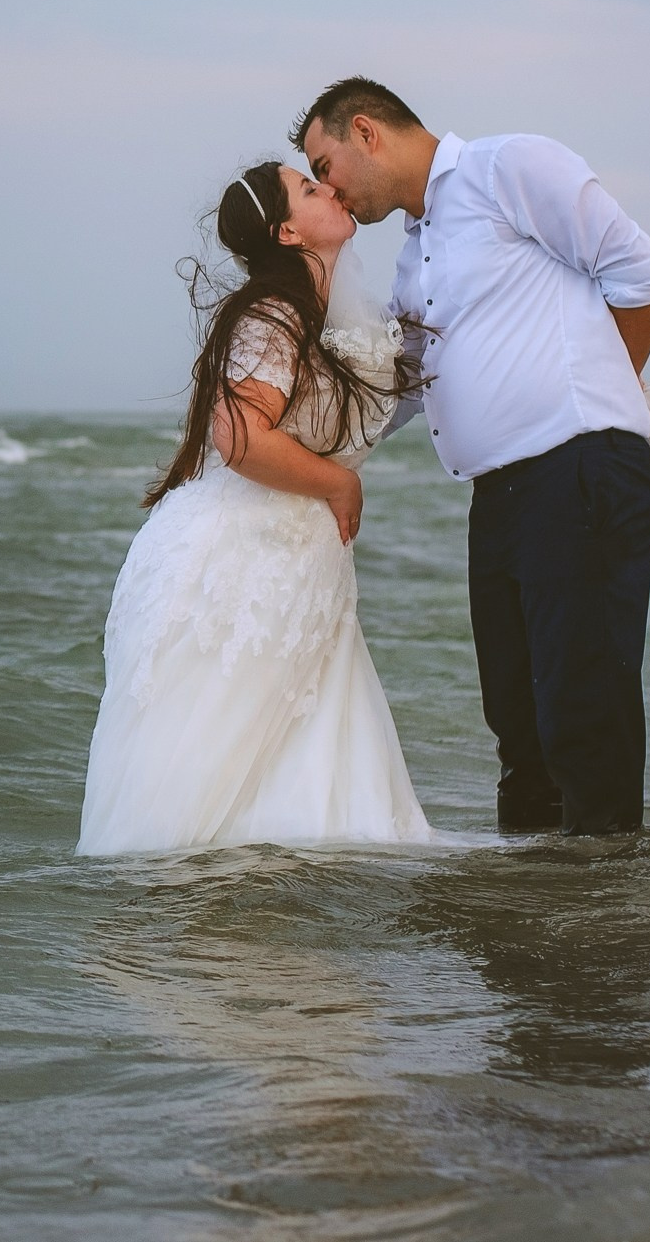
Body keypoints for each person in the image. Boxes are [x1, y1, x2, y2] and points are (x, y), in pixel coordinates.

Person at [294, 77, 650, 837]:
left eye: (325, 163)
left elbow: (642, 275)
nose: (328, 188)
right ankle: (531, 931)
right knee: (518, 726)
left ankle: (608, 936)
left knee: (583, 714)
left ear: (367, 132)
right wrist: (299, 456)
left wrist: (611, 401)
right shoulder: (416, 262)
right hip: (499, 499)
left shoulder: (511, 168)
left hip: (578, 471)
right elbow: (400, 391)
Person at [77, 160, 432, 856]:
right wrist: (337, 484)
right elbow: (237, 435)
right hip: (241, 558)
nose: (330, 188)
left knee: (298, 767)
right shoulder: (276, 313)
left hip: (299, 560)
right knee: (211, 773)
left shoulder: (334, 313)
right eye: (309, 187)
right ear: (288, 231)